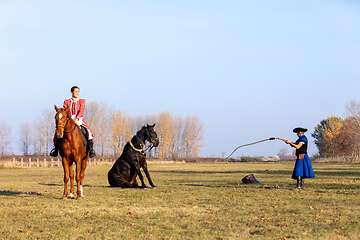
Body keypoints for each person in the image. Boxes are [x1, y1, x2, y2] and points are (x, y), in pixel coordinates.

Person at [50, 86, 96, 158]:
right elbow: (65, 111)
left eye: (78, 92)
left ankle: (91, 150)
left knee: (89, 132)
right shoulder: (67, 101)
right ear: (72, 92)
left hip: (79, 119)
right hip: (69, 119)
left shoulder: (82, 101)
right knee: (57, 132)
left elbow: (81, 110)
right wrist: (69, 119)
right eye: (76, 91)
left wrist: (77, 119)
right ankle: (55, 150)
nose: (77, 93)